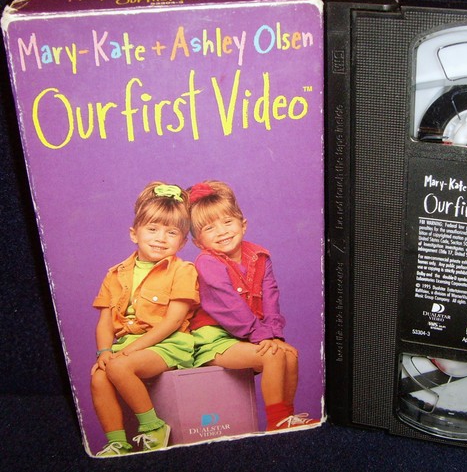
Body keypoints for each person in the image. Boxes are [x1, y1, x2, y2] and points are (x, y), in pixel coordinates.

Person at [187, 180, 318, 431]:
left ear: (243, 224)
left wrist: (274, 334)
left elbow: (270, 297)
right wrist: (261, 337)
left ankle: (287, 417)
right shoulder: (207, 262)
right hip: (214, 339)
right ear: (198, 242)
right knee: (272, 355)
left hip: (249, 334)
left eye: (227, 222)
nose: (222, 232)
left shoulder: (260, 256)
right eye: (209, 228)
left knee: (289, 354)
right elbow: (229, 307)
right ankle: (276, 420)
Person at [90, 182, 200, 456]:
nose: (160, 238)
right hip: (127, 345)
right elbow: (105, 321)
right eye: (152, 229)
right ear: (134, 233)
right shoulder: (115, 273)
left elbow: (172, 322)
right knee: (99, 377)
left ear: (182, 242)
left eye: (171, 232)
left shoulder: (183, 271)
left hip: (169, 343)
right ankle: (118, 442)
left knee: (119, 368)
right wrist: (105, 352)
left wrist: (129, 352)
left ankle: (154, 427)